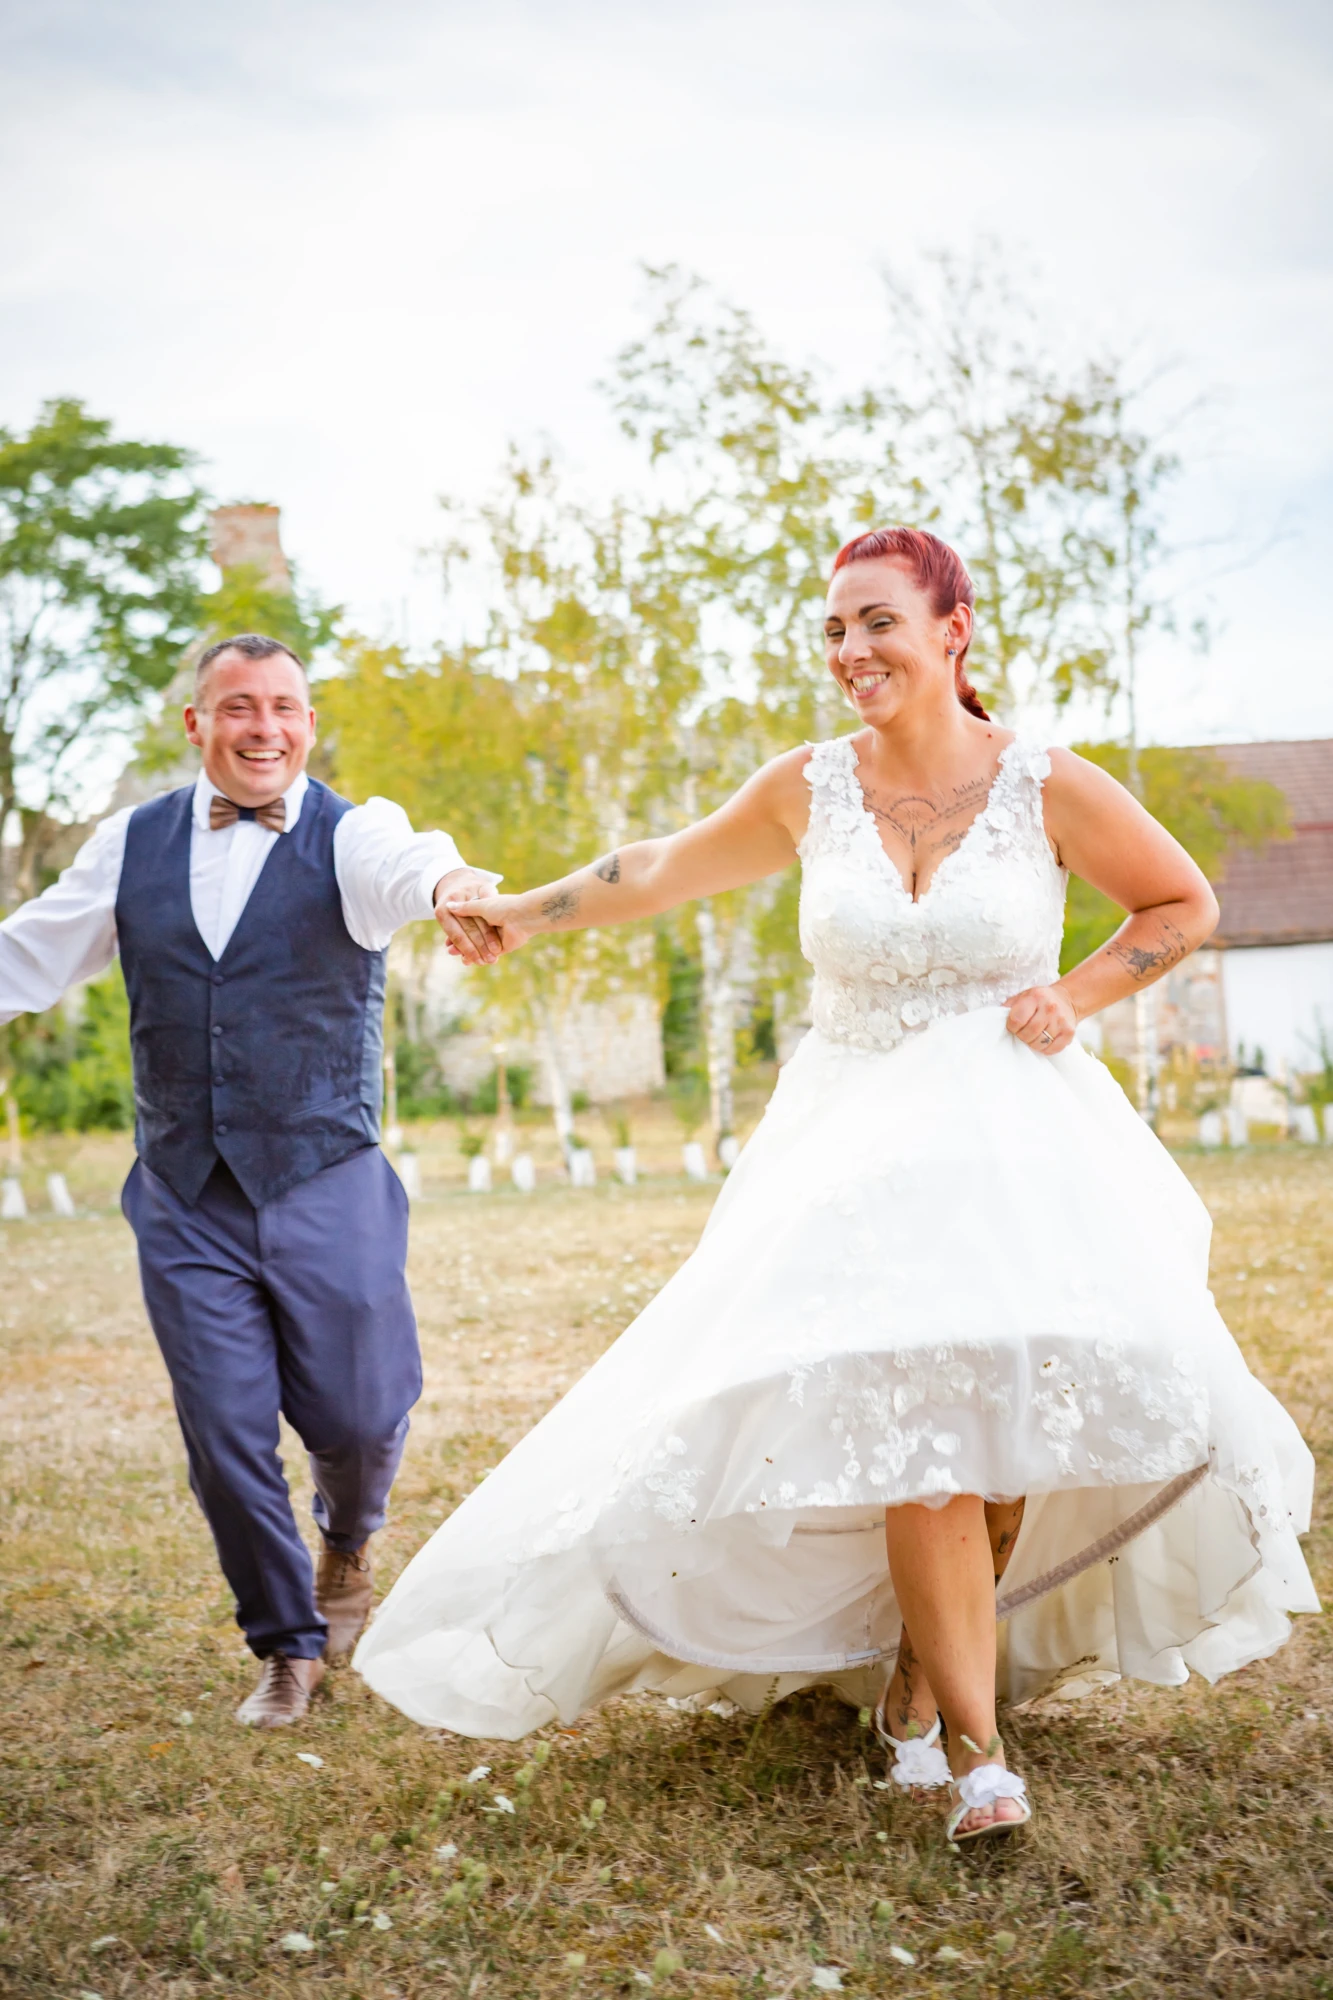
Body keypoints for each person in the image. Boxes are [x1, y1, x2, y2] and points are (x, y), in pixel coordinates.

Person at [355, 530, 1316, 1845]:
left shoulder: (1046, 785)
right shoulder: (808, 788)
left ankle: (923, 1675)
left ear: (953, 631)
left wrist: (1073, 994)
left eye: (876, 623)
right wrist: (522, 911)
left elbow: (1179, 904)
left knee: (1009, 1430)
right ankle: (980, 1761)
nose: (852, 652)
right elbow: (658, 867)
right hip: (856, 1150)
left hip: (1014, 1148)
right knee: (923, 1430)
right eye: (833, 632)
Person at [0, 634, 500, 1727]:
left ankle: (348, 1538)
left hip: (327, 1172)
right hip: (185, 1188)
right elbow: (26, 954)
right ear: (196, 724)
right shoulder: (127, 843)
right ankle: (286, 1643)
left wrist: (455, 882)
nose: (263, 726)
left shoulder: (350, 833)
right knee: (224, 1432)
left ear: (308, 724)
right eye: (237, 706)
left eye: (284, 706)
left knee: (362, 1416)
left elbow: (414, 861)